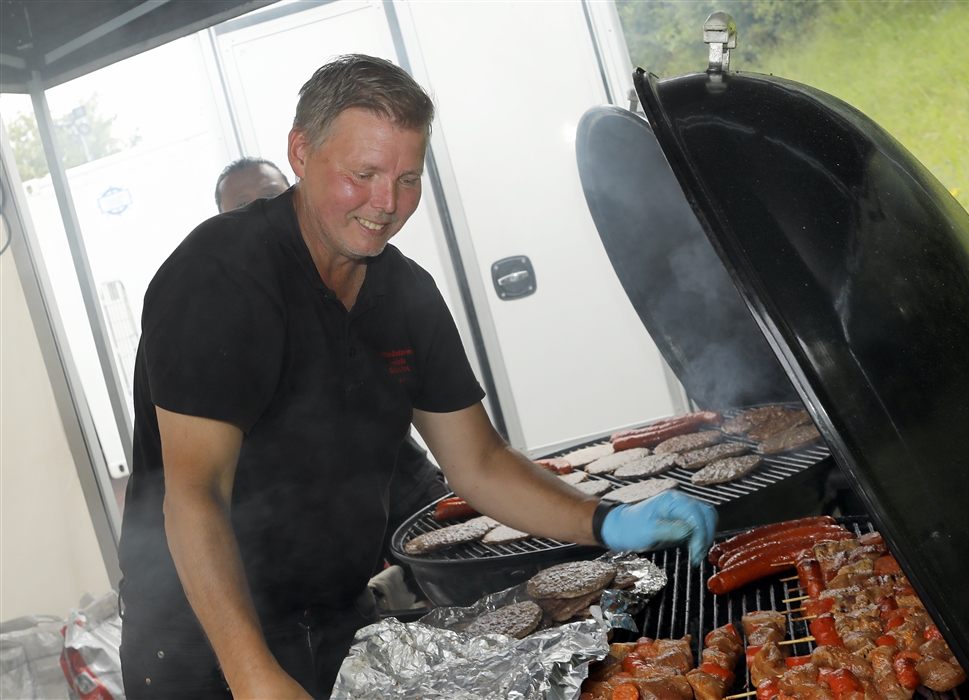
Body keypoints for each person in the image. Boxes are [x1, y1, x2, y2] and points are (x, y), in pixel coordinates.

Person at [117, 54, 717, 700]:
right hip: (204, 645)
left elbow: (479, 462)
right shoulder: (220, 277)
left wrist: (606, 521)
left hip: (337, 623)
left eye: (408, 178)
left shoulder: (404, 294)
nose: (386, 203)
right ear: (300, 151)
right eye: (363, 174)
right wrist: (253, 674)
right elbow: (195, 495)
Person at [213, 157, 452, 573]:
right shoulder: (231, 311)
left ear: (293, 195)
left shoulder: (354, 271)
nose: (258, 209)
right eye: (241, 203)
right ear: (222, 220)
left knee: (458, 579)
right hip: (315, 518)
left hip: (404, 482)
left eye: (269, 194)